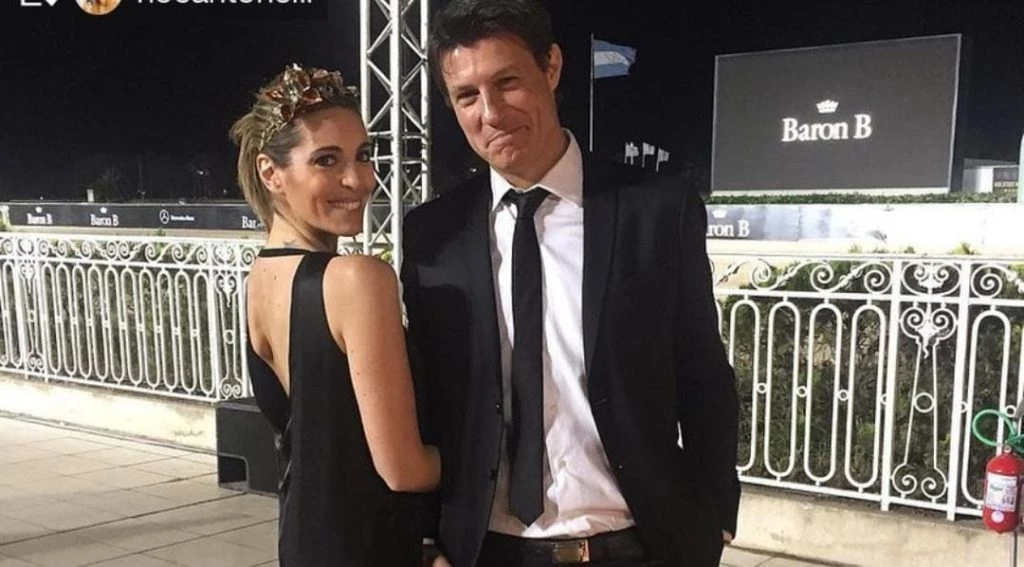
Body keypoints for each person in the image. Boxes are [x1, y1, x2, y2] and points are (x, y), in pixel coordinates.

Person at [401, 1, 740, 566]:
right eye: (466, 96)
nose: (491, 113)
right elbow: (428, 397)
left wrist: (715, 518)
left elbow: (703, 372)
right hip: (484, 550)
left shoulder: (656, 210)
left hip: (635, 545)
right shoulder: (433, 233)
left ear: (552, 67)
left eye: (507, 82)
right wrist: (424, 539)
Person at [230, 63, 440, 566]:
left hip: (304, 540)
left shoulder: (259, 278)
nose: (358, 179)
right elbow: (403, 469)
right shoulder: (357, 278)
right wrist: (499, 463)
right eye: (327, 160)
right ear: (270, 173)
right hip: (368, 548)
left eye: (364, 155)